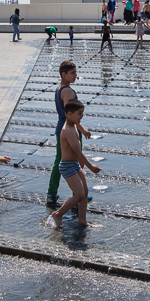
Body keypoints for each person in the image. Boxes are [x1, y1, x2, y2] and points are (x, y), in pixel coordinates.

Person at [51, 99, 102, 229]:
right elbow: (77, 151)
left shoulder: (73, 124)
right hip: (67, 166)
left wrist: (83, 130)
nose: (82, 116)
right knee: (79, 194)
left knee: (84, 192)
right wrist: (91, 167)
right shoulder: (67, 130)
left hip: (74, 164)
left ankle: (82, 221)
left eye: (82, 113)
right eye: (79, 114)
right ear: (69, 114)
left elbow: (78, 125)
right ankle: (58, 214)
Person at [46, 61, 91, 205]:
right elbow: (69, 113)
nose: (75, 76)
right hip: (69, 130)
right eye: (72, 73)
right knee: (75, 161)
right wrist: (82, 129)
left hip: (61, 129)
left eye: (75, 72)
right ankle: (78, 195)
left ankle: (51, 194)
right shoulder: (67, 91)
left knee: (59, 160)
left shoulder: (60, 87)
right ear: (63, 74)